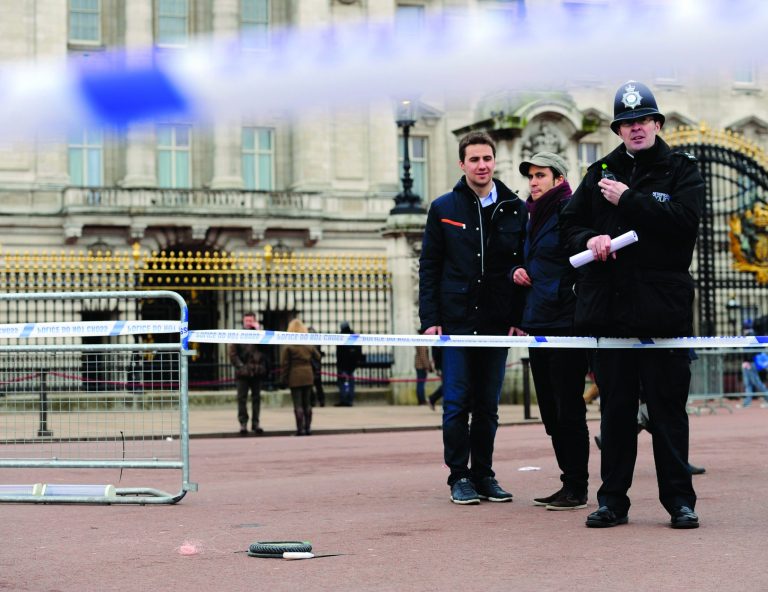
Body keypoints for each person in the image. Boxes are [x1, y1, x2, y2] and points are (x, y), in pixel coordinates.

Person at [560, 80, 704, 529]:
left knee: (667, 411)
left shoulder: (681, 169)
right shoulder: (599, 170)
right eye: (627, 123)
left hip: (663, 309)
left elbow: (684, 223)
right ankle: (612, 501)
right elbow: (569, 226)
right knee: (616, 413)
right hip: (611, 310)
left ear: (657, 124)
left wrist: (631, 200)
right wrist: (592, 239)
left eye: (643, 120)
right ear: (618, 130)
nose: (636, 129)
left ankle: (680, 501)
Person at [419, 131, 527, 505]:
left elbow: (522, 267)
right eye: (474, 159)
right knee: (456, 404)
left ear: (494, 161)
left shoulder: (516, 207)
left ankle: (484, 473)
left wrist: (517, 315)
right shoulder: (443, 207)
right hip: (456, 321)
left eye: (487, 158)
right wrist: (430, 317)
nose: (482, 165)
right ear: (462, 164)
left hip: (497, 321)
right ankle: (458, 476)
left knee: (487, 406)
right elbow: (430, 266)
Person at [512, 152, 590, 511]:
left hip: (565, 322)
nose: (533, 182)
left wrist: (565, 291)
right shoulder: (531, 215)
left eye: (540, 175)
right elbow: (529, 257)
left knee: (568, 407)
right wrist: (518, 268)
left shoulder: (569, 209)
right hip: (538, 321)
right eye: (530, 177)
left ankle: (577, 486)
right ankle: (567, 481)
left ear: (558, 179)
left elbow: (581, 258)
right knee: (550, 410)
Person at [228, 312, 268, 435]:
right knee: (242, 399)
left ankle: (256, 423)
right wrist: (241, 367)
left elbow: (266, 348)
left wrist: (259, 331)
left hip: (257, 371)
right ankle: (243, 423)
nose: (248, 323)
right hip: (243, 373)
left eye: (251, 320)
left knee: (256, 399)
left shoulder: (260, 334)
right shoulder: (238, 334)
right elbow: (232, 353)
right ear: (243, 321)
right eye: (247, 320)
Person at [280, 318, 321, 436]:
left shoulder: (289, 347)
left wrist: (284, 379)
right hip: (308, 375)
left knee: (298, 405)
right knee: (307, 403)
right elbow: (318, 357)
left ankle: (300, 429)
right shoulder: (308, 345)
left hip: (295, 376)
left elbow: (285, 364)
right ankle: (308, 428)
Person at [335, 321, 363, 407]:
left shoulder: (341, 336)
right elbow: (359, 350)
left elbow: (339, 353)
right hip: (352, 364)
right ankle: (349, 399)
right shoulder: (354, 336)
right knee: (350, 382)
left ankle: (344, 399)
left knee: (343, 382)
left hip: (343, 364)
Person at [308, 326, 326, 407]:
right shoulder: (317, 341)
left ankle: (313, 401)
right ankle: (321, 400)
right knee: (318, 384)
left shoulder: (308, 342)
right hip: (316, 365)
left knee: (311, 384)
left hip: (311, 364)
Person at [427, 346, 444, 411]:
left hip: (443, 365)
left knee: (447, 385)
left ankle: (432, 399)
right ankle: (432, 398)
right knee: (447, 385)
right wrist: (437, 368)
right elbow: (435, 355)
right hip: (443, 365)